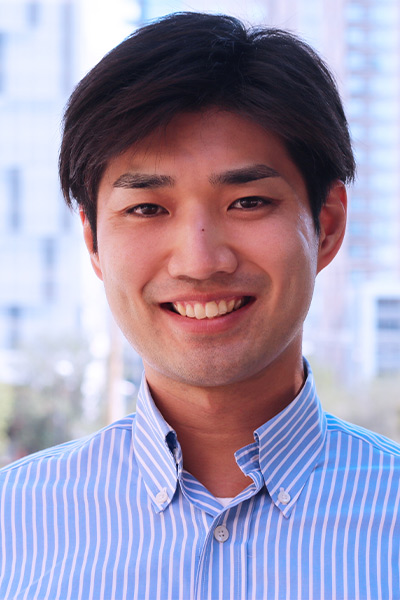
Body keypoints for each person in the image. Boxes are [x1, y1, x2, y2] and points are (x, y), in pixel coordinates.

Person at [0, 12, 399, 600]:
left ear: (328, 225)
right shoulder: (14, 528)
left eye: (248, 201)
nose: (199, 260)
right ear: (92, 242)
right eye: (147, 208)